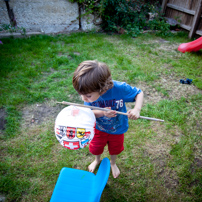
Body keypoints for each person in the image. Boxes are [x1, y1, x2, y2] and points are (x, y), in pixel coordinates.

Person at [72, 60, 144, 178]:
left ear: (102, 88)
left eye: (88, 96)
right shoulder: (88, 93)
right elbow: (89, 113)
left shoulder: (120, 88)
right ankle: (97, 160)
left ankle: (113, 163)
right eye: (81, 94)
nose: (83, 98)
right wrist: (102, 113)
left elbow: (139, 93)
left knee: (115, 149)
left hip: (117, 128)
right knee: (96, 148)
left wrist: (137, 109)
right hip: (99, 128)